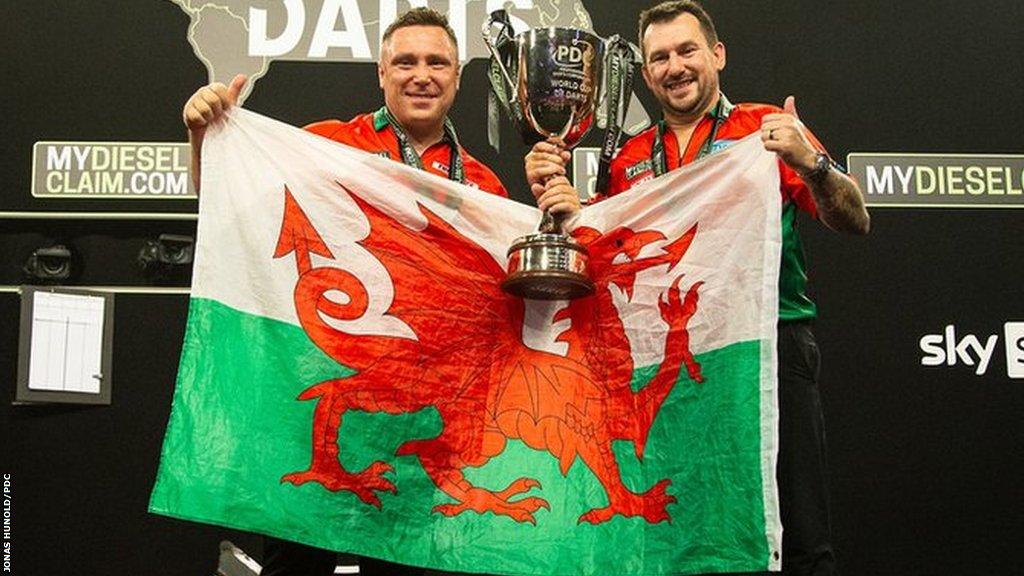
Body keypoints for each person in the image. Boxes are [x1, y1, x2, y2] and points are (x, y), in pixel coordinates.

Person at [526, 2, 869, 575]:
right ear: (646, 73)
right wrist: (568, 213)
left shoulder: (764, 132)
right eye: (659, 57)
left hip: (768, 346)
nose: (674, 67)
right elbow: (611, 262)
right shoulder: (630, 158)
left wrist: (810, 161)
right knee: (679, 524)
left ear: (717, 55)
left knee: (797, 525)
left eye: (687, 51)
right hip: (668, 357)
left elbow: (854, 218)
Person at [182, 7, 508, 576]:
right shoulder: (328, 145)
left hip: (420, 427)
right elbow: (227, 205)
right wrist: (201, 135)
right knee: (295, 566)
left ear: (458, 77)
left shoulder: (481, 186)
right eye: (405, 62)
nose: (421, 74)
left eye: (437, 62)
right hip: (325, 396)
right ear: (381, 74)